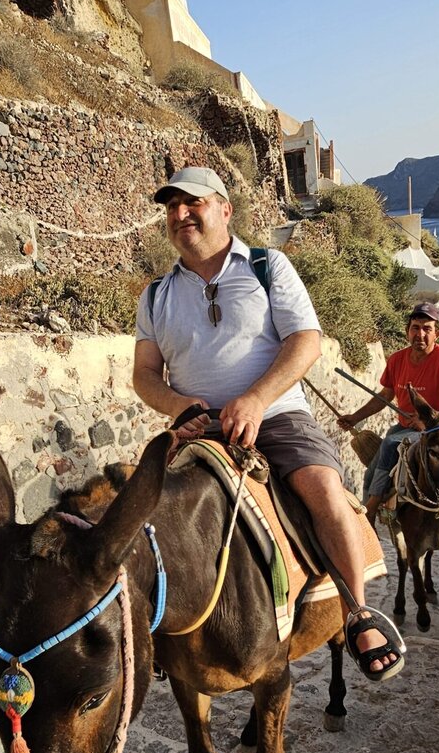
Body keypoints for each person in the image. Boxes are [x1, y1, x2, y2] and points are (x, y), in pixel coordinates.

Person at [132, 166, 404, 682]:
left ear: (225, 209)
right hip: (194, 428)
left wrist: (256, 399)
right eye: (172, 207)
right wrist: (178, 406)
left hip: (276, 416)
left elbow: (305, 341)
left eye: (194, 203)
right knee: (137, 512)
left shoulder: (266, 266)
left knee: (323, 488)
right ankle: (153, 628)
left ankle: (357, 612)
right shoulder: (155, 296)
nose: (181, 214)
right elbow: (144, 375)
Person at [338, 302, 439, 528]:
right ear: (407, 331)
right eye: (415, 327)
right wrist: (355, 417)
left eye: (427, 328)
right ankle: (368, 510)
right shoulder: (397, 360)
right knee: (371, 470)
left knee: (390, 443)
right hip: (405, 428)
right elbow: (385, 396)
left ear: (437, 334)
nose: (420, 334)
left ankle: (371, 508)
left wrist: (430, 419)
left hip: (436, 432)